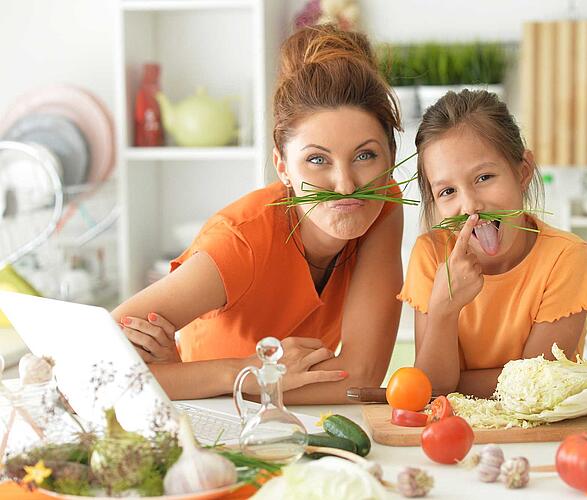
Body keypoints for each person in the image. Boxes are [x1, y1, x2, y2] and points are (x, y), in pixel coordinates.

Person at [111, 24, 404, 404]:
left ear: (392, 158)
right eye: (317, 159)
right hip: (207, 421)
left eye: (365, 155)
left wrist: (201, 379)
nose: (346, 185)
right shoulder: (241, 243)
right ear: (282, 166)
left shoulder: (381, 205)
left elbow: (360, 377)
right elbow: (86, 360)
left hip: (291, 423)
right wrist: (244, 374)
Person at [398, 89, 587, 398]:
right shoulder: (431, 255)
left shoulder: (566, 258)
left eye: (484, 177)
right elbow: (432, 388)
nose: (470, 206)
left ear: (522, 172)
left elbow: (535, 385)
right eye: (447, 192)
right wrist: (444, 309)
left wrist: (456, 382)